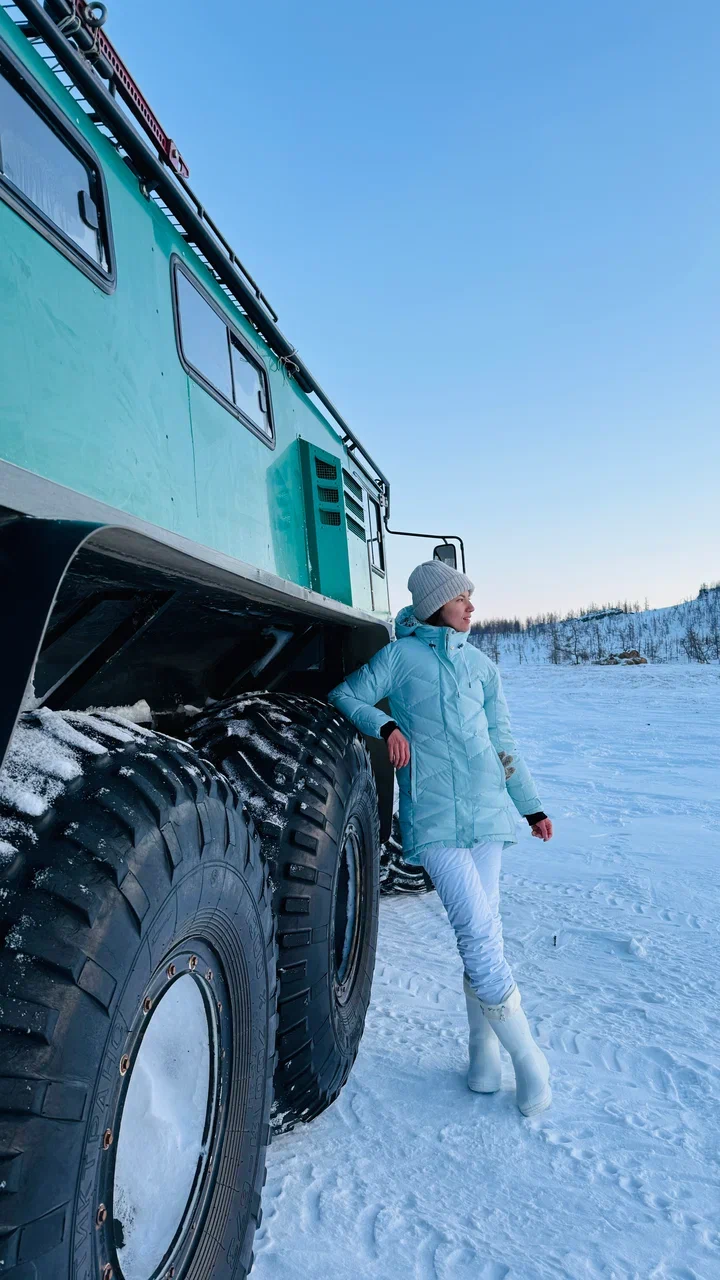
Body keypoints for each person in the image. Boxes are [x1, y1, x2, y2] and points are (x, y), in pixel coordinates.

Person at [328, 559, 553, 1116]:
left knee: (487, 933)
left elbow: (503, 742)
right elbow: (347, 695)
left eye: (470, 597)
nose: (471, 606)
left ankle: (483, 1057)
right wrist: (386, 725)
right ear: (435, 605)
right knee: (476, 929)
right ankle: (529, 1059)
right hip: (433, 819)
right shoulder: (399, 657)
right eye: (460, 598)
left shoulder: (481, 666)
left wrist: (530, 806)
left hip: (488, 814)